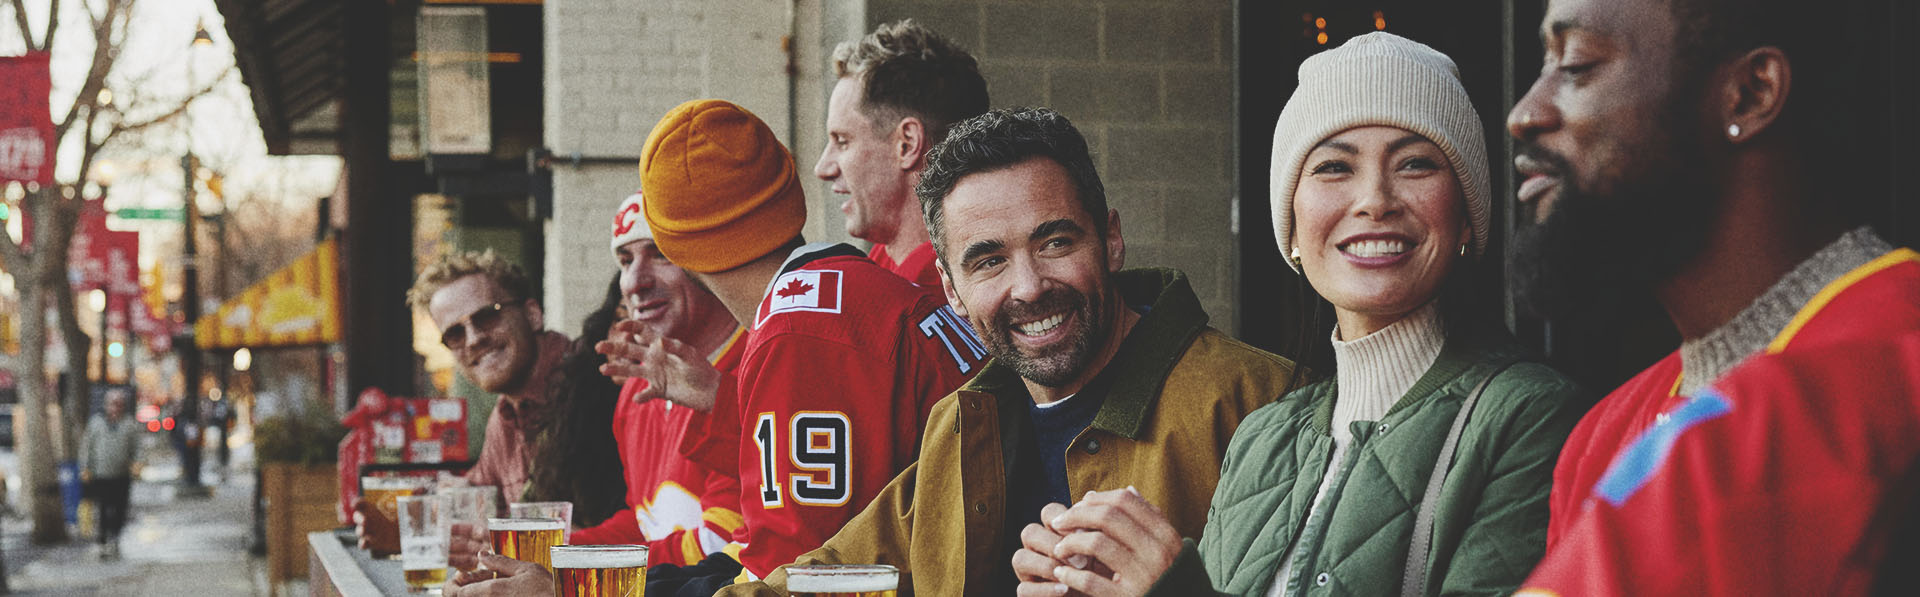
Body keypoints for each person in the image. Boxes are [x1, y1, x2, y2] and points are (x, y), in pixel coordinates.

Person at [1019, 33, 1587, 597]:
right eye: (1334, 168)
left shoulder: (1532, 416)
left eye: (1415, 164)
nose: (1373, 199)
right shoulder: (1262, 436)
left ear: (1466, 218)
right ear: (1291, 230)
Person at [724, 106, 1299, 596]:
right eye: (989, 260)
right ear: (951, 290)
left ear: (1112, 240)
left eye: (1055, 242)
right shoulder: (962, 423)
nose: (1028, 286)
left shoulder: (1268, 404)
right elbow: (818, 578)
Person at [1504, 0, 1920, 593]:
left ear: (1750, 94)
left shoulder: (1890, 365)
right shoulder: (1598, 441)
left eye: (1574, 65)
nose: (1523, 113)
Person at [567, 190, 747, 564]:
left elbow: (721, 546)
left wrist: (572, 569)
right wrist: (551, 552)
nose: (634, 282)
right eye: (625, 260)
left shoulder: (757, 362)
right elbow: (648, 525)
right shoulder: (636, 386)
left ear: (707, 257)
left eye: (660, 252)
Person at [355, 250, 574, 550]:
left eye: (487, 315)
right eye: (455, 334)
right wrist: (402, 520)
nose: (473, 339)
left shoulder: (593, 383)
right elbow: (476, 494)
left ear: (532, 314)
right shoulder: (506, 417)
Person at [814, 19, 988, 287]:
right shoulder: (888, 256)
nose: (823, 168)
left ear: (907, 144)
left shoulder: (943, 293)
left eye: (842, 141)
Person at [81, 390, 142, 560]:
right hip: (100, 474)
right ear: (106, 405)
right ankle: (102, 541)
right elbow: (87, 447)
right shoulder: (96, 423)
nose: (115, 407)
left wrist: (137, 464)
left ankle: (115, 538)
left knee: (120, 509)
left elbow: (137, 448)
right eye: (112, 403)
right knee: (102, 509)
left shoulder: (129, 424)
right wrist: (86, 468)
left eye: (119, 403)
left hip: (122, 475)